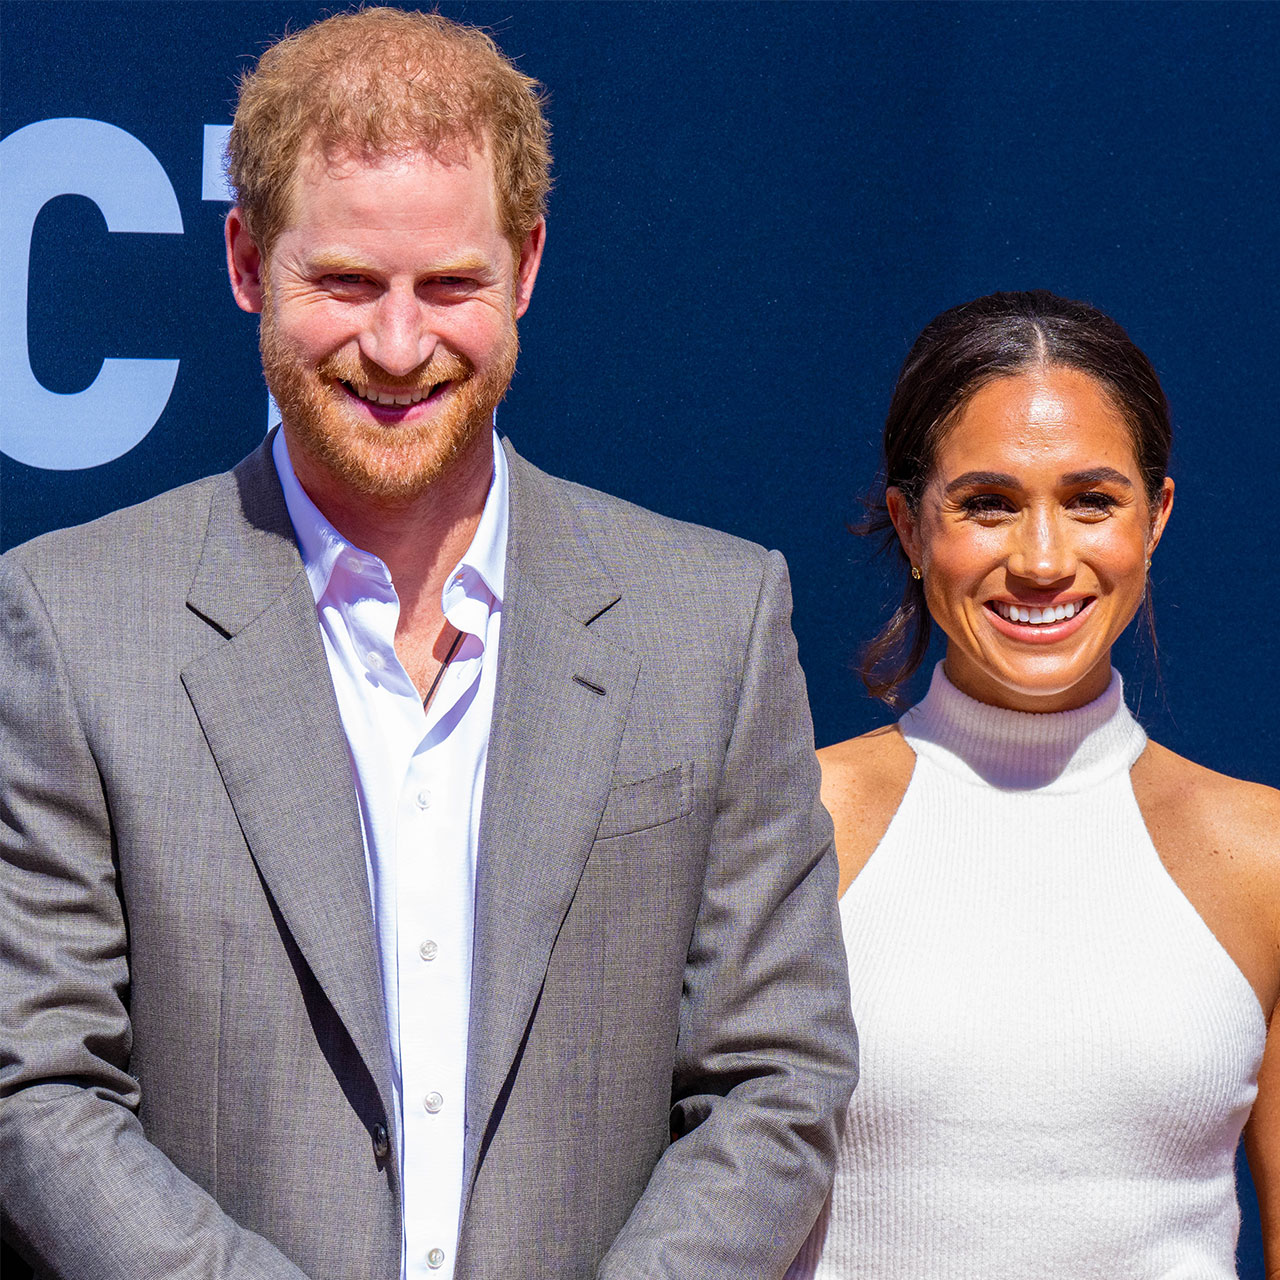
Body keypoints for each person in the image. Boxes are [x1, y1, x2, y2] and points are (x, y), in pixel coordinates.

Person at [0, 10, 857, 1279]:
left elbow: (773, 1080)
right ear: (246, 261)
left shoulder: (711, 622)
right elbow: (36, 1087)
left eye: (449, 285)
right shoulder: (74, 623)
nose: (398, 348)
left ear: (526, 266)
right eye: (346, 283)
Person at [790, 290, 1280, 1278]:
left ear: (1155, 517)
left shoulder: (1263, 857)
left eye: (1091, 500)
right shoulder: (793, 824)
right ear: (909, 525)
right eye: (988, 503)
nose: (1044, 560)